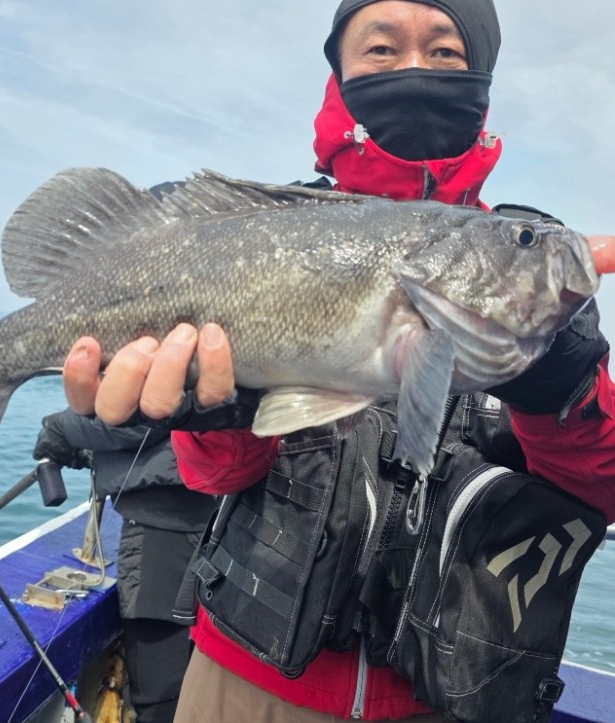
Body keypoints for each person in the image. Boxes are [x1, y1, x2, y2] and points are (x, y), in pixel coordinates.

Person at [60, 1, 615, 721]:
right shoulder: (264, 232)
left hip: (441, 697)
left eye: (445, 52)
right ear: (340, 76)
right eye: (382, 49)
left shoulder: (541, 301)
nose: (415, 69)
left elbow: (600, 490)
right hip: (249, 681)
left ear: (481, 79)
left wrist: (561, 387)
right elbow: (218, 477)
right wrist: (216, 413)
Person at [33, 412, 217, 723]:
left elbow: (150, 413)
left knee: (163, 701)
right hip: (224, 517)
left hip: (167, 530)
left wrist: (62, 429)